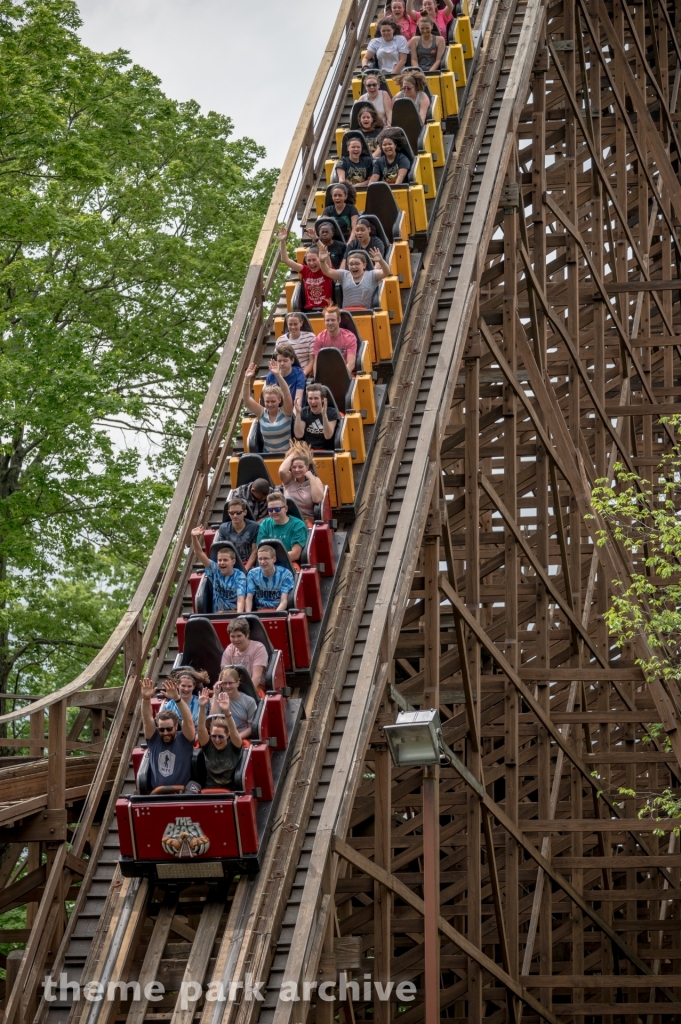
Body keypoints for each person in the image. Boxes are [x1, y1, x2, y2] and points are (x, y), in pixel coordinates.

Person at [140, 676, 196, 793]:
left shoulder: (184, 739)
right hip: (158, 794)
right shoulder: (154, 739)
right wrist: (146, 698)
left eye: (169, 729)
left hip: (181, 794)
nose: (165, 733)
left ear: (176, 726)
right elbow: (147, 719)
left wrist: (177, 698)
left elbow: (188, 719)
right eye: (161, 729)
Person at [191, 525, 247, 612]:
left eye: (225, 560)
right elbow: (199, 553)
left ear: (233, 561)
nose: (221, 563)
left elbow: (240, 599)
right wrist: (194, 537)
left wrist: (237, 616)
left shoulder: (239, 576)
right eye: (219, 560)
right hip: (217, 616)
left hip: (232, 614)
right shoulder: (215, 569)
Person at [319, 244, 391, 310]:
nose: (354, 266)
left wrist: (381, 261)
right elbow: (327, 271)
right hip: (348, 314)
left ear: (364, 265)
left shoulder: (372, 275)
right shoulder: (344, 275)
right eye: (351, 264)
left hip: (367, 313)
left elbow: (386, 272)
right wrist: (322, 261)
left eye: (357, 264)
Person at [243, 361, 293, 455]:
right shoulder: (262, 413)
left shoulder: (286, 411)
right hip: (268, 455)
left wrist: (278, 375)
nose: (270, 404)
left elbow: (286, 394)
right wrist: (247, 378)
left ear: (279, 400)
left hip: (286, 455)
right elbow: (246, 398)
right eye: (267, 402)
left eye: (273, 401)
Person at [197, 688, 243, 789]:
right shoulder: (208, 745)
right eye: (213, 736)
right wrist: (202, 707)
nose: (217, 740)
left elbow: (234, 732)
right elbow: (201, 728)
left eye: (220, 736)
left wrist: (227, 711)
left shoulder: (234, 745)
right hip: (210, 787)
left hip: (231, 788)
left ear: (227, 735)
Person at [278, 227, 333, 311]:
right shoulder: (305, 270)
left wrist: (316, 239)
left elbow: (324, 251)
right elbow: (285, 260)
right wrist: (282, 241)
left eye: (314, 260)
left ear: (320, 258)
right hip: (309, 311)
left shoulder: (326, 270)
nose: (311, 263)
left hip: (326, 310)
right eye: (309, 260)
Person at [278, 443, 325, 526]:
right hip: (288, 519)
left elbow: (317, 499)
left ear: (307, 468)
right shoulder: (288, 479)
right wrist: (294, 454)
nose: (297, 470)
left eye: (300, 467)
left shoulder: (315, 480)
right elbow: (282, 471)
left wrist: (311, 477)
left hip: (306, 520)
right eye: (294, 467)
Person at [257, 490, 309, 563]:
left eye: (277, 509)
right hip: (266, 563)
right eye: (270, 510)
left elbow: (295, 554)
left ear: (286, 509)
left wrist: (270, 560)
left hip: (289, 562)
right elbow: (259, 549)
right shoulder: (265, 524)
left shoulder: (298, 525)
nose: (274, 512)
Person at [220, 616, 269, 692]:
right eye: (232, 636)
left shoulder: (258, 648)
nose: (236, 640)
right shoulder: (229, 650)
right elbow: (224, 675)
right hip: (234, 689)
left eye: (239, 636)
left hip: (257, 688)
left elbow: (257, 677)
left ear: (247, 634)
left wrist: (247, 695)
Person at [210, 668, 257, 740]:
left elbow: (251, 728)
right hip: (221, 737)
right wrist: (215, 694)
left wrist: (235, 738)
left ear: (237, 683)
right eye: (224, 683)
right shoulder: (219, 698)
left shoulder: (249, 701)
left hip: (241, 736)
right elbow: (213, 719)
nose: (227, 686)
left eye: (230, 683)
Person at [246, 544, 295, 611]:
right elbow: (249, 598)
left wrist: (275, 615)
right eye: (260, 559)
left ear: (274, 559)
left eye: (266, 558)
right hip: (259, 611)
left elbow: (284, 601)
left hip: (278, 610)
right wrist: (248, 615)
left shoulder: (285, 574)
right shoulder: (252, 574)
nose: (262, 562)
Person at [312, 305, 358, 376]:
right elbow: (316, 363)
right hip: (326, 375)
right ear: (324, 321)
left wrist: (339, 378)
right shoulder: (319, 338)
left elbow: (351, 364)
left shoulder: (349, 337)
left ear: (339, 320)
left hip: (345, 374)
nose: (330, 323)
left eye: (333, 320)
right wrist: (316, 378)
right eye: (327, 320)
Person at [216, 497, 259, 569]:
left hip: (249, 564)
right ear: (228, 513)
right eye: (232, 513)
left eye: (238, 513)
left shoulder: (254, 527)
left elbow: (255, 551)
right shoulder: (223, 528)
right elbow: (223, 551)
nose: (235, 516)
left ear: (244, 512)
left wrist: (246, 568)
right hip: (230, 564)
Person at [293, 383, 339, 452]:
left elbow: (328, 435)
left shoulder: (332, 412)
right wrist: (298, 413)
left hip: (327, 452)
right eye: (310, 398)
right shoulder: (304, 412)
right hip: (308, 452)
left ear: (323, 399)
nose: (313, 402)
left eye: (316, 398)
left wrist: (324, 415)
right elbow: (298, 435)